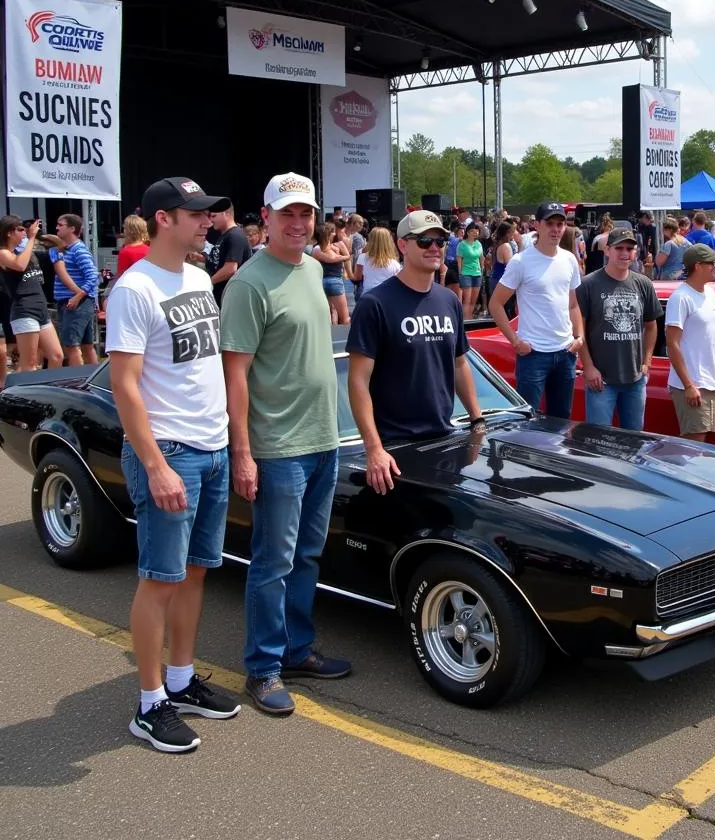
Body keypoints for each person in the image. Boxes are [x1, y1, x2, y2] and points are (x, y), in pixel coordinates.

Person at [105, 176, 240, 754]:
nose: (207, 221)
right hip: (172, 453)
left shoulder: (194, 278)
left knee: (195, 571)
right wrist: (155, 464)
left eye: (208, 213)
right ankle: (149, 702)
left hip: (210, 448)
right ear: (164, 218)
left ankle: (181, 681)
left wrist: (232, 442)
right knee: (159, 579)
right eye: (196, 213)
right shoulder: (135, 289)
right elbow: (125, 386)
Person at [221, 172, 349, 717]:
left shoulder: (315, 268)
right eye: (288, 214)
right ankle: (263, 667)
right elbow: (235, 377)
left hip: (323, 440)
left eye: (307, 214)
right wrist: (243, 453)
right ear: (266, 217)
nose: (298, 224)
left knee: (307, 555)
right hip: (277, 449)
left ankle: (296, 650)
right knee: (272, 562)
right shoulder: (249, 283)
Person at [347, 209, 485, 495]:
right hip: (395, 450)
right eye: (424, 241)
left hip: (446, 440)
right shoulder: (375, 304)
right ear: (402, 245)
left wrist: (477, 420)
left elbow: (460, 364)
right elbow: (358, 381)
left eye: (440, 241)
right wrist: (374, 449)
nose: (434, 248)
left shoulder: (449, 301)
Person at [488, 201, 584, 418]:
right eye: (550, 223)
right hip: (534, 354)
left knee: (561, 420)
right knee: (527, 422)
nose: (556, 229)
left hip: (565, 351)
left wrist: (580, 337)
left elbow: (573, 304)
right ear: (537, 225)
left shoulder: (569, 259)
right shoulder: (521, 261)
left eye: (560, 224)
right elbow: (495, 304)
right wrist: (515, 341)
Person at [576, 226, 661, 430]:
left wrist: (647, 362)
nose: (625, 254)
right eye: (619, 248)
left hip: (635, 379)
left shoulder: (643, 284)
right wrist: (588, 366)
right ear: (607, 250)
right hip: (601, 380)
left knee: (633, 440)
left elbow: (651, 325)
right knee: (599, 441)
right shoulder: (589, 284)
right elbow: (579, 330)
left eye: (630, 249)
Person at [665, 245, 715, 442]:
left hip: (711, 381)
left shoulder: (710, 292)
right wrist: (688, 385)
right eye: (711, 263)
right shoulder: (681, 298)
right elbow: (672, 344)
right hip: (693, 383)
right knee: (694, 444)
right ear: (698, 266)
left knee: (702, 442)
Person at [0, 216, 63, 371]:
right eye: (20, 230)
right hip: (24, 309)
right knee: (29, 363)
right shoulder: (3, 253)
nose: (24, 232)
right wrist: (31, 238)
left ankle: (46, 391)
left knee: (57, 356)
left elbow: (60, 247)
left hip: (40, 307)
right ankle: (26, 394)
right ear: (9, 232)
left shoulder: (25, 252)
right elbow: (19, 265)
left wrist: (43, 238)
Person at [50, 213, 100, 366]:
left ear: (72, 228)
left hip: (75, 303)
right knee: (86, 345)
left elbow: (94, 276)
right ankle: (93, 377)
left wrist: (78, 296)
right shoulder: (65, 249)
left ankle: (77, 380)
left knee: (72, 345)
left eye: (61, 225)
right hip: (77, 301)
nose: (57, 227)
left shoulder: (78, 250)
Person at [206, 203, 251, 306]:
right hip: (220, 297)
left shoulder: (235, 235)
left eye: (214, 216)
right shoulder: (224, 235)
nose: (211, 220)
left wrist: (207, 283)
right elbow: (218, 262)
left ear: (226, 214)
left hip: (230, 299)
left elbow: (230, 269)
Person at [312, 222, 349, 325]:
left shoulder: (317, 248)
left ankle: (329, 337)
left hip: (321, 283)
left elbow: (343, 257)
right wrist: (341, 256)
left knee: (330, 312)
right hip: (335, 281)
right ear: (328, 234)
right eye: (332, 232)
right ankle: (345, 338)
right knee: (345, 317)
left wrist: (339, 255)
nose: (334, 234)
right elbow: (331, 259)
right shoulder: (326, 249)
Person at [354, 226, 402, 294]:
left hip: (368, 295)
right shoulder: (395, 263)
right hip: (387, 296)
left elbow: (357, 277)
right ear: (388, 241)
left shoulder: (362, 257)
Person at [456, 222, 485, 320]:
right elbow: (459, 260)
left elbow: (481, 258)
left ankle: (469, 317)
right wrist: (460, 273)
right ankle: (465, 319)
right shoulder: (462, 244)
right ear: (468, 232)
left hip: (477, 273)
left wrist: (482, 270)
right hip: (466, 273)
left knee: (474, 299)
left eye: (477, 231)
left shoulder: (478, 244)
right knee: (467, 299)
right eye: (473, 231)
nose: (475, 233)